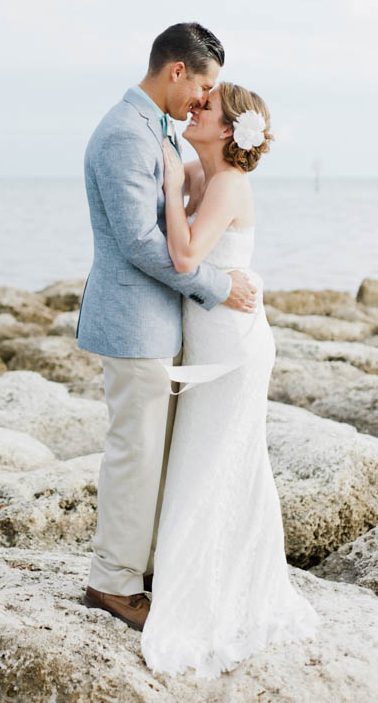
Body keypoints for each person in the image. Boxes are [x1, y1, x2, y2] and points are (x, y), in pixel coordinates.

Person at [76, 22, 257, 630]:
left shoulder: (153, 129)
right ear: (177, 70)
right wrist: (217, 287)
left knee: (156, 452)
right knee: (136, 451)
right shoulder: (127, 134)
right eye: (201, 85)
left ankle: (141, 566)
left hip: (160, 323)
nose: (201, 100)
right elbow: (138, 243)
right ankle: (114, 583)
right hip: (134, 322)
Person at [140, 82, 319, 678]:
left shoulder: (229, 183)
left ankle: (216, 587)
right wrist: (172, 164)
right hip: (215, 335)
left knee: (219, 459)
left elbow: (187, 257)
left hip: (235, 347)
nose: (198, 108)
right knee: (204, 456)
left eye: (208, 107)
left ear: (228, 130)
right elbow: (174, 165)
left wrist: (170, 188)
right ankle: (191, 571)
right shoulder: (205, 171)